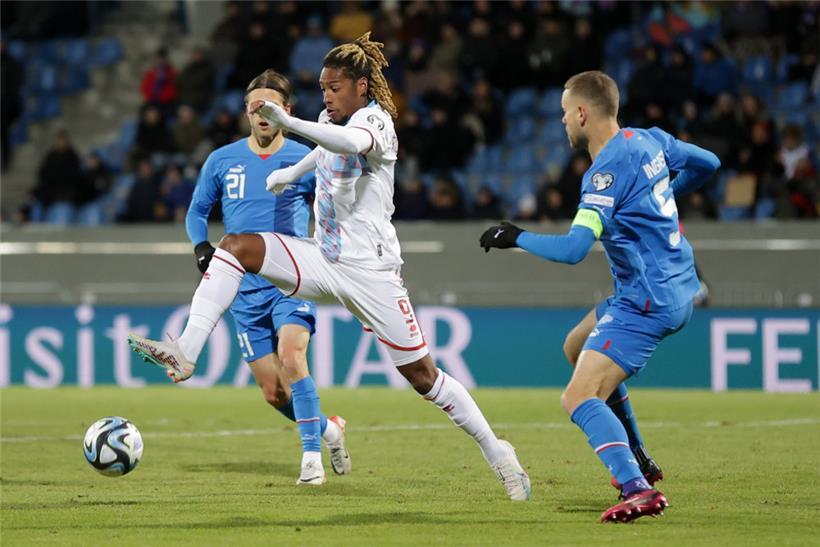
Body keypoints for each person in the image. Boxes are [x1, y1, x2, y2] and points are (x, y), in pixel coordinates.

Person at [129, 33, 530, 501]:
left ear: (361, 86)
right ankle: (187, 350)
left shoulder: (377, 123)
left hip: (372, 274)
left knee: (424, 378)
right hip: (324, 258)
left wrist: (290, 123)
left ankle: (497, 451)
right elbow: (326, 148)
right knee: (235, 245)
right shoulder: (327, 118)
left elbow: (346, 142)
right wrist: (291, 173)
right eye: (321, 89)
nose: (326, 98)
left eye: (334, 88)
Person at [479, 71, 720, 521]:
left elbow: (573, 250)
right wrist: (661, 192)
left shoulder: (603, 177)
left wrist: (517, 237)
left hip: (646, 302)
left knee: (578, 396)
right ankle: (638, 455)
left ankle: (637, 488)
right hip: (675, 286)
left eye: (566, 114)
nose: (564, 122)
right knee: (575, 346)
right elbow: (708, 162)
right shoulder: (650, 140)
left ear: (584, 113)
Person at [136, 69, 350, 485]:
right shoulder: (222, 159)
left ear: (287, 112)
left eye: (272, 107)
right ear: (246, 112)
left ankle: (310, 460)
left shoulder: (306, 158)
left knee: (292, 357)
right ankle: (328, 429)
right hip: (244, 290)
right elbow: (198, 212)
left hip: (292, 279)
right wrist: (202, 247)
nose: (263, 114)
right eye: (256, 107)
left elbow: (333, 213)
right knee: (273, 393)